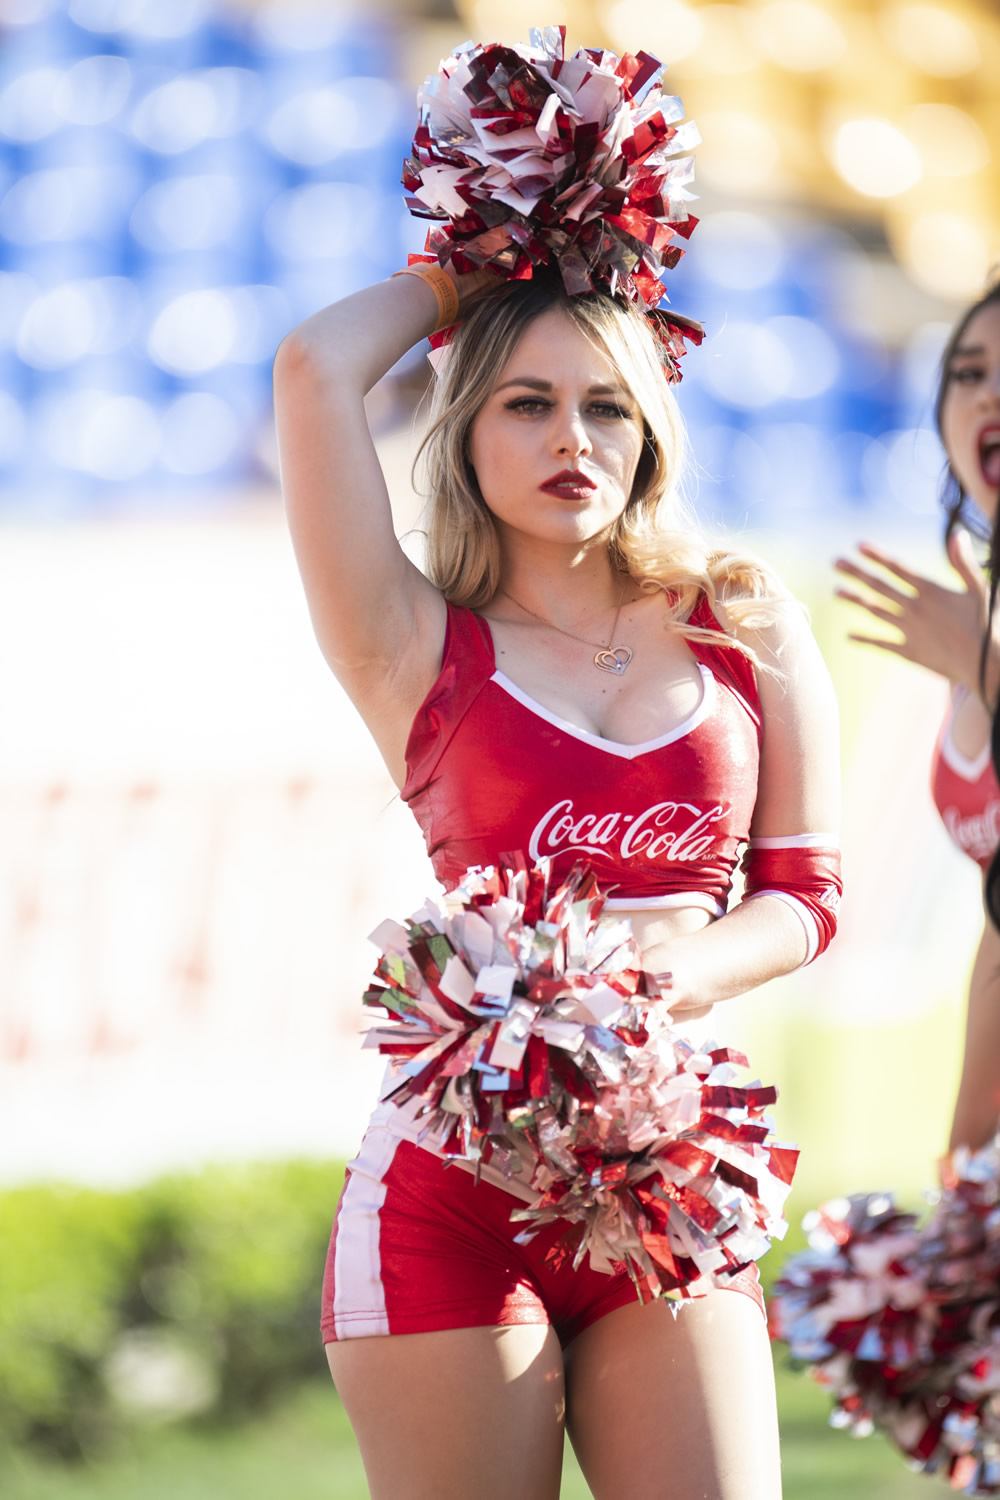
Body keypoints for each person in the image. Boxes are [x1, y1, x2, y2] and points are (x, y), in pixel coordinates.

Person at [273, 40, 841, 1500]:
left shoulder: (740, 617)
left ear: (650, 431)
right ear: (465, 438)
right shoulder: (414, 646)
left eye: (603, 403)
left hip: (670, 1179)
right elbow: (315, 367)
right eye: (525, 402)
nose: (570, 436)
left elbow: (805, 897)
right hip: (449, 1204)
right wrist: (498, 266)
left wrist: (666, 983)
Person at [834, 277, 1000, 1156]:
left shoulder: (974, 638)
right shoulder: (973, 614)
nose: (989, 395)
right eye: (969, 372)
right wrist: (968, 1150)